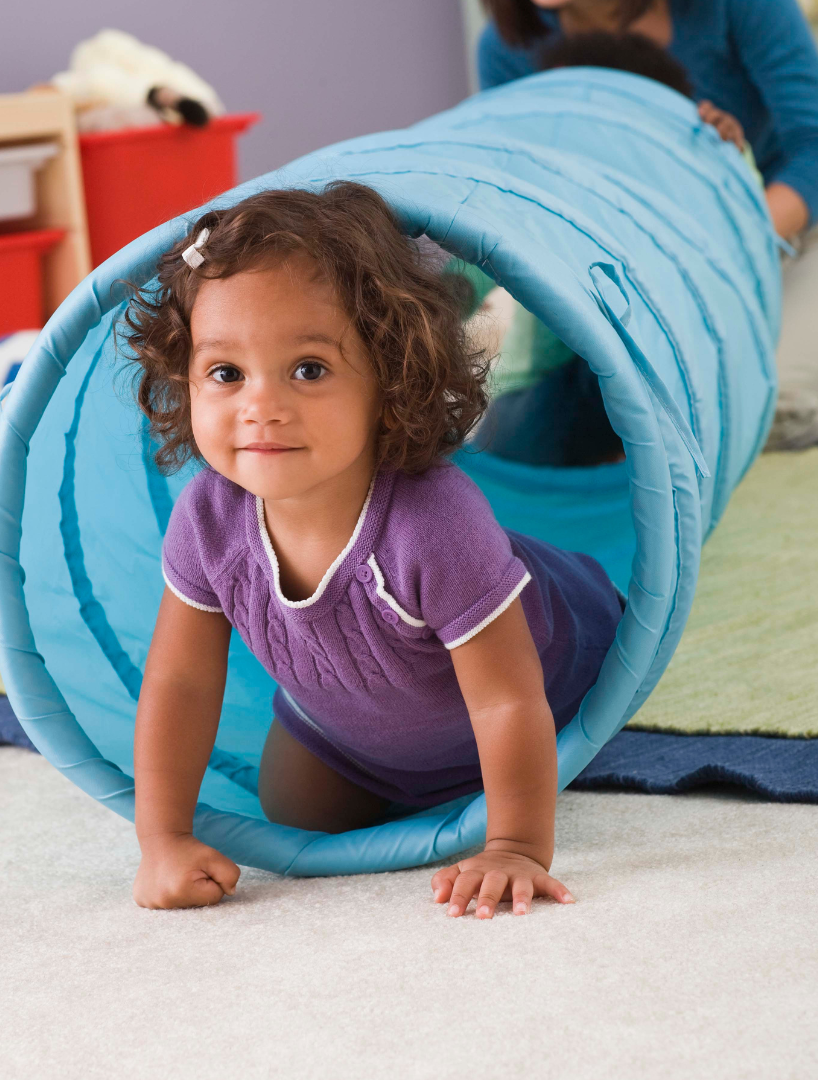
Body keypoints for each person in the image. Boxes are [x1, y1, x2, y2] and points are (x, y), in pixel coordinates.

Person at [124, 183, 624, 916]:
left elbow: (509, 697)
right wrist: (162, 838)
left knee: (555, 729)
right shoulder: (209, 519)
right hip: (349, 732)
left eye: (309, 369)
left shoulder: (433, 521)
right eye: (225, 374)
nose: (260, 405)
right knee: (296, 817)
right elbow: (180, 684)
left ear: (389, 381)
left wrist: (514, 843)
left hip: (559, 671)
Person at [478, 0, 818, 448]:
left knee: (758, 408)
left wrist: (703, 251)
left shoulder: (736, 9)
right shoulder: (507, 47)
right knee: (658, 412)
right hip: (685, 266)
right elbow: (529, 190)